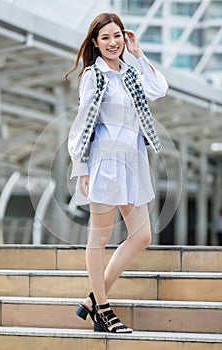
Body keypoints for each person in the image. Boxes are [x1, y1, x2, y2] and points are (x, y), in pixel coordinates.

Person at [66, 13, 168, 333]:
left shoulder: (130, 73)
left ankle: (92, 300)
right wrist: (81, 166)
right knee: (100, 238)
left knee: (142, 236)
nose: (113, 43)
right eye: (105, 38)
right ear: (95, 43)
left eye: (117, 36)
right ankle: (103, 310)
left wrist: (138, 53)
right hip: (105, 160)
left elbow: (159, 88)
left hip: (133, 160)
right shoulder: (93, 77)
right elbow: (83, 124)